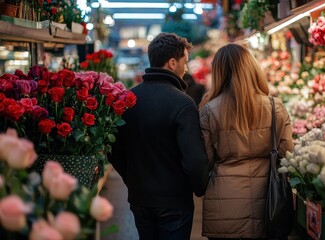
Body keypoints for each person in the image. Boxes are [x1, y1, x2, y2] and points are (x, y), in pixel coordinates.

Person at [109, 32, 209, 240]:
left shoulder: (129, 99)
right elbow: (194, 160)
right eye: (185, 62)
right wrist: (200, 188)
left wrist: (132, 180)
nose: (186, 68)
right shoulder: (183, 103)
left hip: (140, 198)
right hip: (174, 201)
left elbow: (114, 149)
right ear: (172, 63)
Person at [199, 43, 294, 240]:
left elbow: (205, 160)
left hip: (224, 205)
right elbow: (287, 154)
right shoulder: (275, 107)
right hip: (268, 202)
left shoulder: (209, 110)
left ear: (219, 72)